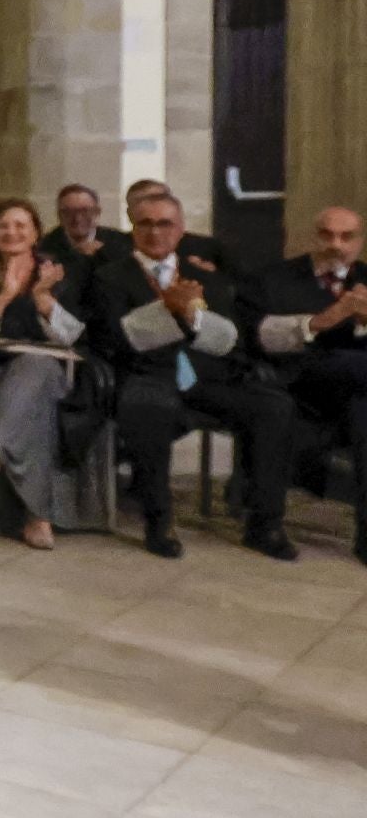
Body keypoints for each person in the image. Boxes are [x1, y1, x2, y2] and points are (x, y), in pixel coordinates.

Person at [92, 193, 296, 561]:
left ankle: (265, 525)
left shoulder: (207, 278)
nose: (155, 232)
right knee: (149, 406)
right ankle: (159, 521)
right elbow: (115, 338)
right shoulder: (109, 277)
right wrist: (168, 310)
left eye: (164, 223)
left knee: (273, 406)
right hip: (147, 374)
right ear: (133, 228)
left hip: (205, 377)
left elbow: (229, 339)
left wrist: (192, 316)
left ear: (181, 229)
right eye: (145, 223)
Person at [0, 198, 100, 549]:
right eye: (3, 226)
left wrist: (43, 298)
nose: (11, 232)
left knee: (35, 367)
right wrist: (5, 296)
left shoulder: (59, 273)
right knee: (33, 410)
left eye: (20, 226)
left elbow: (75, 336)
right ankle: (38, 519)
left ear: (36, 233)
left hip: (55, 375)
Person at [249, 206, 367, 562]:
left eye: (346, 237)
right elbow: (262, 337)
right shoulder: (276, 277)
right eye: (327, 235)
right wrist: (324, 320)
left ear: (360, 242)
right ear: (313, 237)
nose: (336, 245)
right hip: (295, 379)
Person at [125, 178, 236, 277]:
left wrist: (213, 278)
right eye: (146, 203)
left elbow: (238, 286)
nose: (155, 232)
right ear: (130, 213)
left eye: (162, 199)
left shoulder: (207, 248)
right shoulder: (118, 250)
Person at [41, 182, 132, 270]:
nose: (77, 218)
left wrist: (103, 254)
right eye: (69, 212)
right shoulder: (45, 247)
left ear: (97, 212)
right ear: (59, 215)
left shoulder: (119, 242)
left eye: (85, 211)